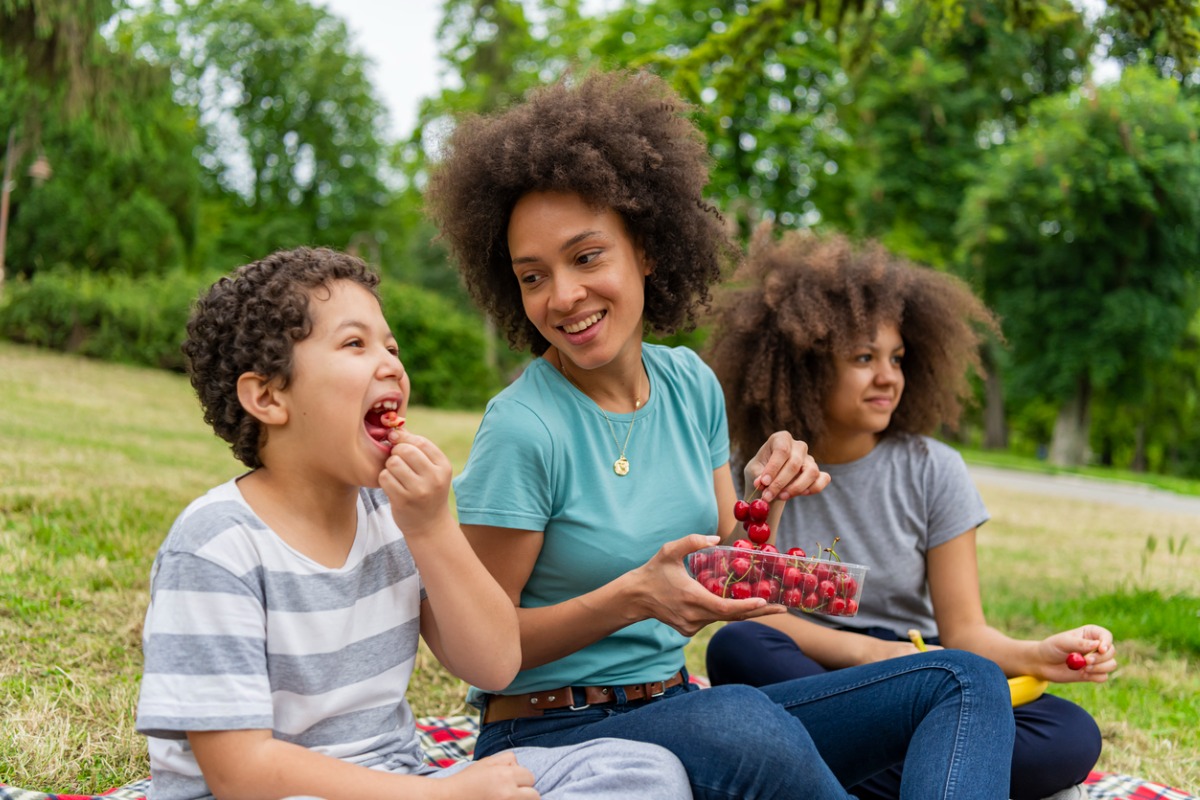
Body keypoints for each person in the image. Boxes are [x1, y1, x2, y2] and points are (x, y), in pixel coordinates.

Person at [425, 69, 1015, 800]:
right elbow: (477, 654)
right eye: (532, 276)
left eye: (586, 257)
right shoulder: (524, 427)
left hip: (678, 706)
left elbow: (731, 566)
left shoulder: (689, 386)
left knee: (963, 680)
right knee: (742, 722)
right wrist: (631, 598)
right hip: (550, 730)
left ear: (645, 247)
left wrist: (773, 484)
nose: (564, 296)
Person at [134, 247, 693, 800]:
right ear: (268, 396)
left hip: (400, 781)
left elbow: (495, 663)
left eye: (391, 346)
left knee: (643, 770)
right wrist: (438, 797)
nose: (392, 365)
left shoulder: (390, 517)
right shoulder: (215, 547)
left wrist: (431, 527)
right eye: (355, 344)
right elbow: (241, 772)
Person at [703, 229, 1117, 800]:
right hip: (815, 672)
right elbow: (741, 605)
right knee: (739, 649)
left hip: (923, 679)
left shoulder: (934, 470)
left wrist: (1036, 655)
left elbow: (964, 632)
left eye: (896, 358)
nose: (888, 376)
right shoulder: (763, 470)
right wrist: (868, 654)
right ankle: (940, 772)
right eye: (863, 358)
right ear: (804, 366)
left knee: (1069, 735)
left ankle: (824, 776)